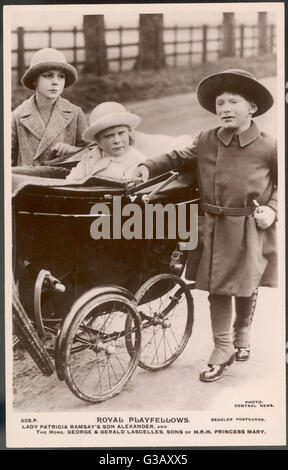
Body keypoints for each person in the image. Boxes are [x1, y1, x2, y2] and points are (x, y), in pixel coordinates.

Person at [132, 69, 277, 382]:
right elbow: (176, 156)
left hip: (249, 226)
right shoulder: (207, 140)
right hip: (212, 226)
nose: (224, 108)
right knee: (218, 289)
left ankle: (242, 330)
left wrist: (273, 209)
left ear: (252, 107)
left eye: (232, 102)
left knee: (245, 284)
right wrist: (146, 166)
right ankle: (222, 346)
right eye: (219, 103)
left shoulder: (269, 147)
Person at [12, 48, 87, 167]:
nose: (55, 82)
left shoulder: (75, 113)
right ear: (34, 81)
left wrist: (73, 150)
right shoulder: (17, 117)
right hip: (27, 181)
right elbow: (7, 164)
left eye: (61, 76)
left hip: (62, 183)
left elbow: (91, 155)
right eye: (48, 76)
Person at [66, 101, 147, 182]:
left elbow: (132, 185)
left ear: (129, 133)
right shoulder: (91, 157)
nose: (117, 140)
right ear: (97, 141)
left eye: (121, 133)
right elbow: (72, 179)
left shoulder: (136, 160)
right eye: (109, 136)